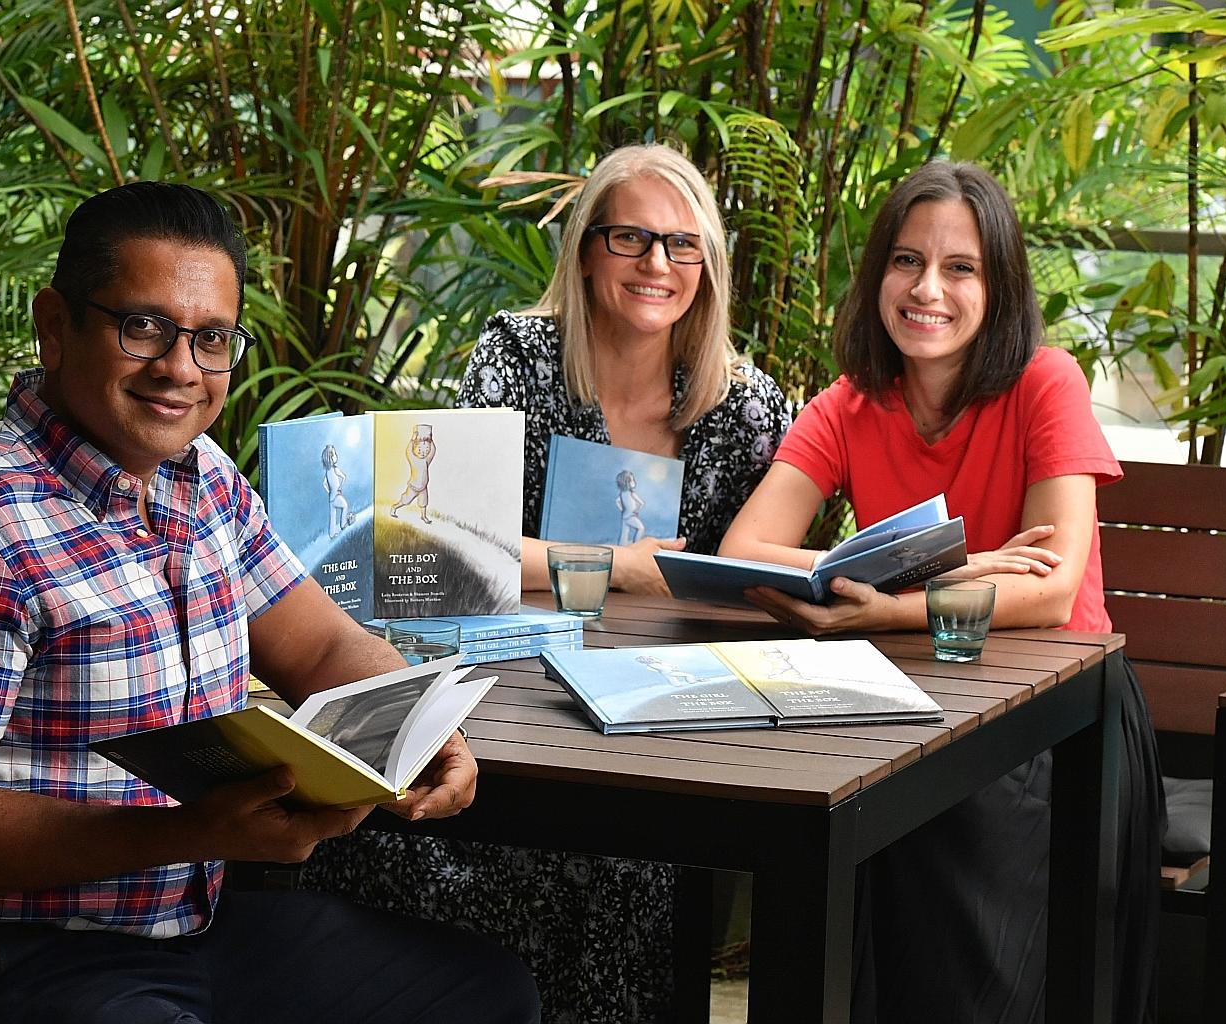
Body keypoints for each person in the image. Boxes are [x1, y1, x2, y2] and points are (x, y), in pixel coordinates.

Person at [0, 181, 540, 1024]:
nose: (180, 369)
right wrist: (192, 834)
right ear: (55, 326)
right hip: (18, 957)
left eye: (211, 340)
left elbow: (322, 645)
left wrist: (421, 731)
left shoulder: (201, 480)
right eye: (144, 328)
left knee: (485, 997)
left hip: (193, 924)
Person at [303, 143, 791, 1022]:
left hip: (661, 715)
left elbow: (759, 570)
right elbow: (444, 536)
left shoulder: (746, 406)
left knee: (632, 868)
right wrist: (621, 569)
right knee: (411, 841)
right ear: (585, 248)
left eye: (684, 245)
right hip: (508, 691)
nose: (657, 264)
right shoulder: (520, 356)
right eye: (631, 238)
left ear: (710, 268)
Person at [718, 161, 1163, 1024]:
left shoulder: (1046, 382)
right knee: (834, 821)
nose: (928, 289)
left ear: (999, 286)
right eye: (905, 260)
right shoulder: (850, 403)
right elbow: (748, 548)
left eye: (961, 267)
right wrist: (966, 570)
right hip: (913, 703)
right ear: (877, 273)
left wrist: (891, 604)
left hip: (1061, 720)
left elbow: (1049, 591)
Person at [321, 443, 348, 538]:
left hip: (331, 497)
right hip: (336, 495)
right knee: (344, 505)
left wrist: (329, 491)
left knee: (333, 515)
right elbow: (344, 477)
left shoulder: (328, 471)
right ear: (331, 458)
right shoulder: (335, 469)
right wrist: (340, 487)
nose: (336, 456)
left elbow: (324, 484)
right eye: (335, 454)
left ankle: (332, 534)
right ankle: (343, 524)